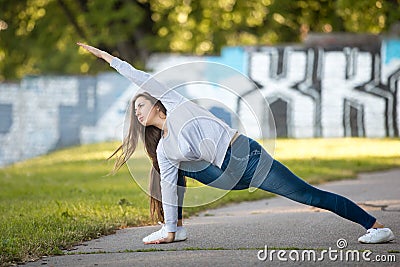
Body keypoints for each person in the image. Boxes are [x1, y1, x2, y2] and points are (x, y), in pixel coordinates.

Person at [77, 43, 395, 245]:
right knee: (166, 171)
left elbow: (141, 78)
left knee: (307, 194)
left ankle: (375, 226)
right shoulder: (165, 148)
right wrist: (170, 230)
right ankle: (174, 227)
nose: (137, 111)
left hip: (249, 159)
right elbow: (171, 186)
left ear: (157, 103)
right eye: (134, 111)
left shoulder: (176, 103)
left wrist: (108, 58)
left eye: (140, 105)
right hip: (224, 176)